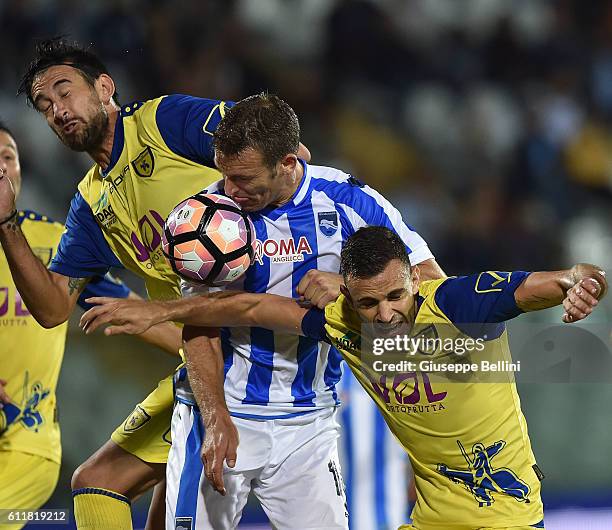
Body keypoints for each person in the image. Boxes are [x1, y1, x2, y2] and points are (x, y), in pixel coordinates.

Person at [80, 226, 607, 530]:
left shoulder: (456, 303)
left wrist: (579, 283)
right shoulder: (342, 324)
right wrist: (160, 310)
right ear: (349, 297)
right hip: (433, 522)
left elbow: (553, 280)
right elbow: (251, 307)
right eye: (368, 302)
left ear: (411, 279)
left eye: (395, 296)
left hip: (507, 521)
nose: (384, 314)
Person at [131, 93, 442, 529]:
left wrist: (351, 290)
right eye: (224, 174)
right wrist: (215, 416)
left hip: (309, 423)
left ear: (289, 162)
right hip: (224, 413)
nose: (230, 190)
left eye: (243, 178)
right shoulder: (205, 217)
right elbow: (199, 322)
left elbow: (429, 278)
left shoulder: (349, 201)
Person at [0, 37, 269, 530]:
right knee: (97, 481)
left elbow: (277, 148)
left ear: (105, 87)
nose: (57, 111)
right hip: (207, 360)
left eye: (64, 92)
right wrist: (6, 222)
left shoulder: (165, 123)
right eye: (44, 106)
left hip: (267, 344)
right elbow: (55, 307)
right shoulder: (89, 205)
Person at [0, 121, 181, 530]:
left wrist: (205, 351)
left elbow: (121, 306)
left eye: (7, 157)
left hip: (23, 443)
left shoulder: (52, 243)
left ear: (20, 172)